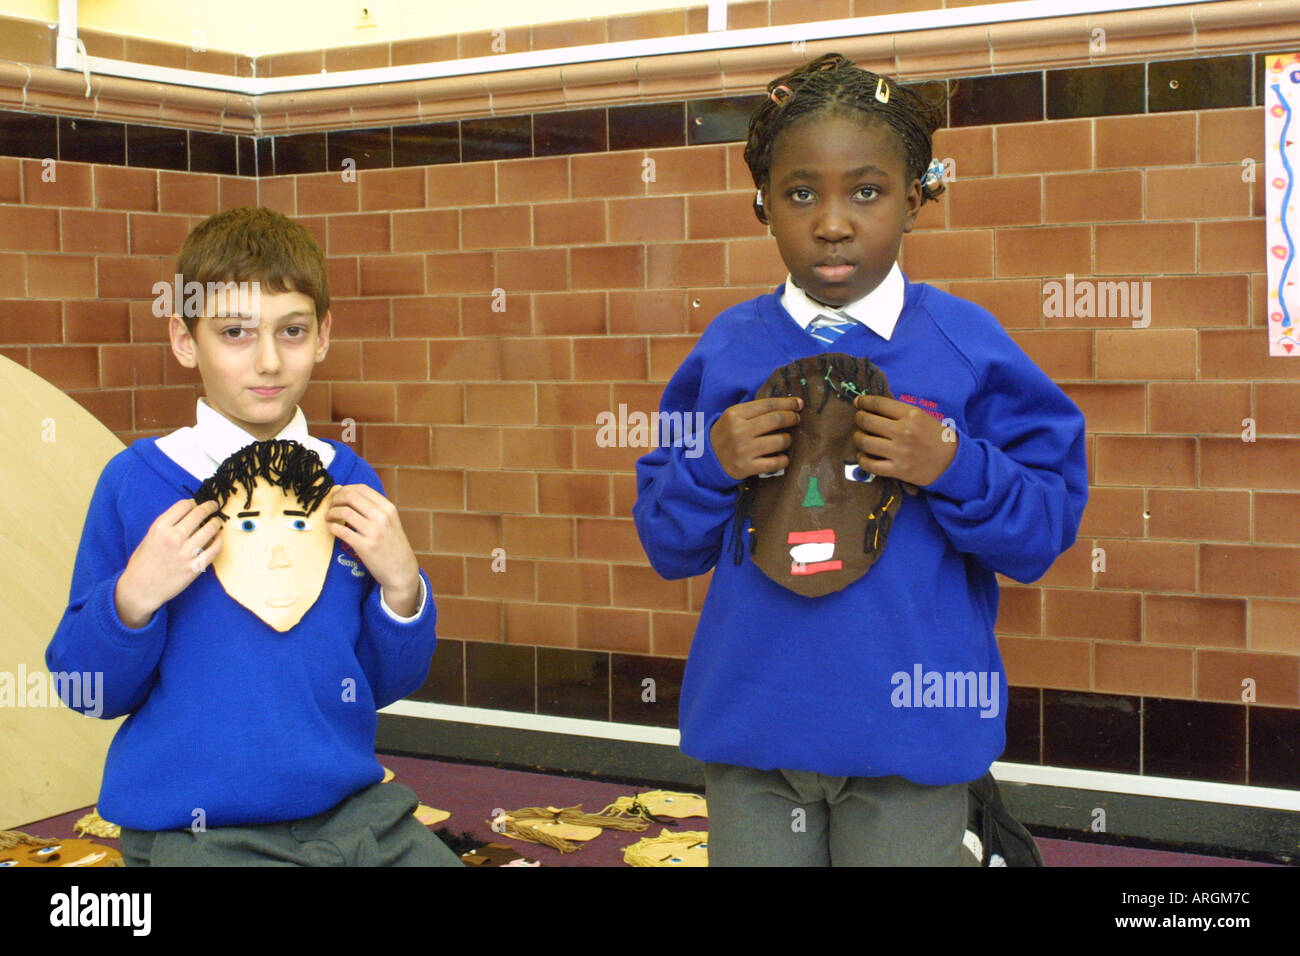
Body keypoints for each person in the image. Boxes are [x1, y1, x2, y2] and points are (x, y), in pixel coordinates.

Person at [633, 54, 1088, 866]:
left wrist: (953, 464)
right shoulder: (727, 348)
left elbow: (1043, 533)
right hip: (754, 733)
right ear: (762, 205)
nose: (833, 222)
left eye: (867, 192)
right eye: (801, 193)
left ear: (914, 200)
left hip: (910, 740)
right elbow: (668, 545)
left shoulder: (968, 345)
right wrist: (710, 464)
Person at [46, 207, 460, 866]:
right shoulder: (135, 483)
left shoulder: (348, 480)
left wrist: (403, 589)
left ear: (323, 334)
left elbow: (386, 682)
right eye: (235, 332)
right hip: (198, 831)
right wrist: (133, 599)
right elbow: (86, 687)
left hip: (355, 818)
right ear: (185, 341)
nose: (269, 360)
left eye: (291, 331)